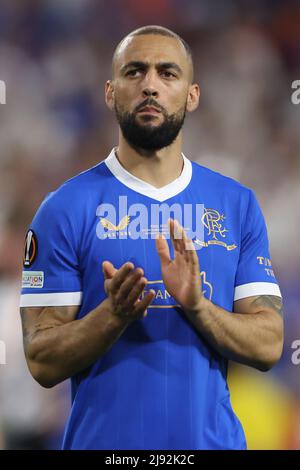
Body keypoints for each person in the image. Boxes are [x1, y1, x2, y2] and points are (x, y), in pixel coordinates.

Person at [20, 25, 284, 450]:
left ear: (192, 95)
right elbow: (41, 359)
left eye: (167, 73)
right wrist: (114, 315)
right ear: (110, 92)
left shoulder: (236, 205)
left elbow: (270, 344)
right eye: (135, 72)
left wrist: (198, 306)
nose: (150, 85)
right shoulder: (64, 208)